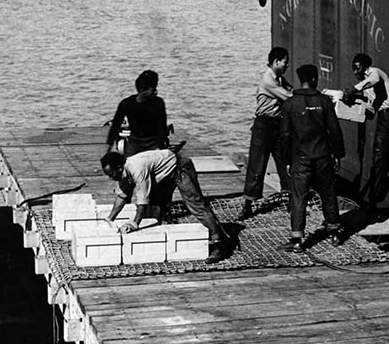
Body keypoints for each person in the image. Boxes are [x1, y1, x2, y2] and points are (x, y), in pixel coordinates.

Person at [100, 149, 228, 263]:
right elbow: (122, 196)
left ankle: (219, 243)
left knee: (196, 205)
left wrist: (134, 224)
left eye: (111, 174)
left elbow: (143, 199)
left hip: (179, 168)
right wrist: (110, 219)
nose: (110, 178)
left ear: (119, 167)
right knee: (156, 206)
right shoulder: (123, 173)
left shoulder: (137, 168)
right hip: (163, 174)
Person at [278, 64, 345, 252]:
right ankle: (334, 234)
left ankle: (297, 240)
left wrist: (287, 161)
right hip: (323, 156)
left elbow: (285, 135)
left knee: (299, 197)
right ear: (315, 79)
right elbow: (335, 131)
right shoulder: (325, 101)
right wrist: (338, 154)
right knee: (328, 193)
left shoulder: (290, 103)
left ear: (301, 80)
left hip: (301, 158)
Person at [347, 53, 389, 220]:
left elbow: (373, 80)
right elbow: (370, 112)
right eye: (353, 68)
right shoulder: (367, 89)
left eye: (358, 67)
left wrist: (354, 89)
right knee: (378, 160)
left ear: (366, 67)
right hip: (383, 119)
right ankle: (374, 202)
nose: (355, 71)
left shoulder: (375, 73)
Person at [236, 46, 293, 220]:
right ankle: (248, 205)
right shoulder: (269, 80)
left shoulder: (279, 79)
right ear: (276, 61)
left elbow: (292, 91)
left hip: (278, 124)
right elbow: (290, 97)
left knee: (285, 161)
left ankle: (291, 199)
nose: (287, 65)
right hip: (264, 126)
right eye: (285, 62)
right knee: (257, 164)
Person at [106, 70, 167, 157]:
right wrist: (109, 145)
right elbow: (116, 125)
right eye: (153, 90)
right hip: (135, 142)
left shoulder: (158, 103)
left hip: (153, 142)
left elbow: (162, 127)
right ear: (143, 90)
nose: (155, 92)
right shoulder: (127, 104)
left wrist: (160, 147)